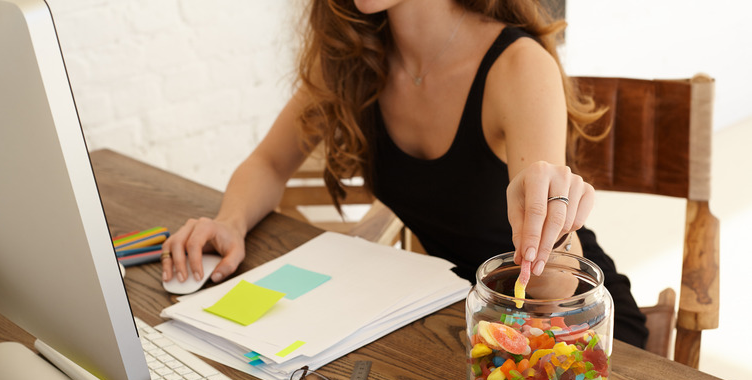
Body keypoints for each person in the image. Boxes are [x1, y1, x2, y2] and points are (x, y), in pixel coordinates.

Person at [160, 0, 649, 347]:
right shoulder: (354, 61)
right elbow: (269, 162)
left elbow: (557, 291)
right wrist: (229, 221)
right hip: (456, 314)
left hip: (567, 329)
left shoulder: (519, 66)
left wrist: (550, 231)